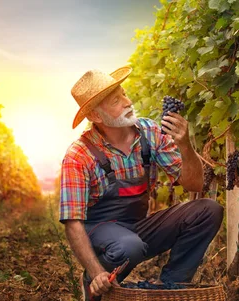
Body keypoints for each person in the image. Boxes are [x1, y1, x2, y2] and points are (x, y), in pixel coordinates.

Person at [59, 66, 224, 300]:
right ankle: (93, 284)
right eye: (116, 100)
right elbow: (72, 223)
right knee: (129, 247)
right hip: (99, 232)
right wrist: (95, 272)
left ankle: (173, 287)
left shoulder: (149, 133)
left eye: (124, 94)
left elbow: (195, 185)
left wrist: (185, 146)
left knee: (208, 210)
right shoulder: (79, 155)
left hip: (136, 227)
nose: (128, 102)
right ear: (96, 116)